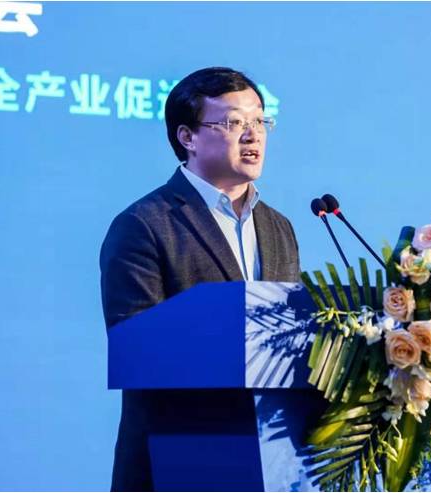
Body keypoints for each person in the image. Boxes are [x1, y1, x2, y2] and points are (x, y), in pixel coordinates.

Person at [99, 67, 300, 491]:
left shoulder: (278, 226)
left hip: (271, 463)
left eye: (259, 121)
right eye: (233, 123)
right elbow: (135, 347)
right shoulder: (144, 224)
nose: (253, 135)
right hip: (178, 460)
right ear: (187, 137)